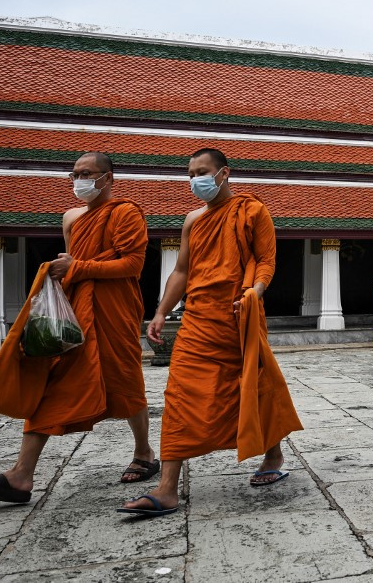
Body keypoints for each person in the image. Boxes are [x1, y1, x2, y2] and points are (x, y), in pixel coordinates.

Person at [118, 148, 302, 517]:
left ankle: (273, 452)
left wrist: (256, 291)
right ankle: (167, 487)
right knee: (180, 394)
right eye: (190, 173)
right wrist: (159, 312)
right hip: (197, 321)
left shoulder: (252, 210)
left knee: (252, 386)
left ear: (224, 173)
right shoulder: (193, 220)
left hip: (240, 316)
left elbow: (266, 260)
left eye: (202, 172)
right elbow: (182, 271)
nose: (195, 180)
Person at [0, 152, 155, 504]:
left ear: (109, 178)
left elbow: (132, 264)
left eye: (89, 173)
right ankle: (21, 475)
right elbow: (73, 263)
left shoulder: (125, 212)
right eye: (76, 174)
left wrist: (77, 267)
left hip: (115, 309)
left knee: (125, 380)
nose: (80, 180)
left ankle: (144, 453)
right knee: (52, 383)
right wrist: (68, 273)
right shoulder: (71, 217)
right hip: (77, 310)